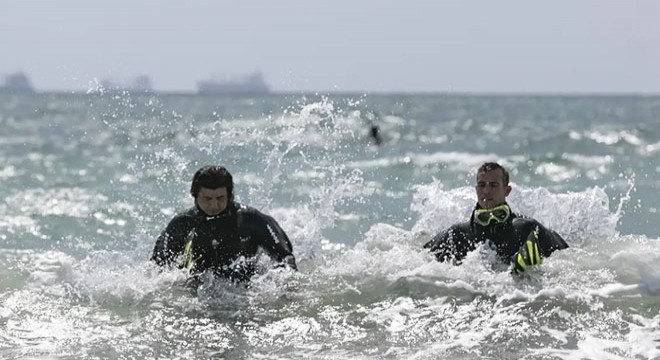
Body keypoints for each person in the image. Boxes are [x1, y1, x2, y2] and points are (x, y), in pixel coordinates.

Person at [151, 165, 297, 282]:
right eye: (207, 199)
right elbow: (157, 268)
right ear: (195, 195)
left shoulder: (250, 219)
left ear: (230, 194)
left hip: (246, 290)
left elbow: (285, 258)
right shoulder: (182, 224)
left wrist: (285, 284)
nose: (214, 205)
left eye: (220, 198)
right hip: (198, 292)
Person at [423, 162, 568, 275]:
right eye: (482, 185)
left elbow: (568, 258)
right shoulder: (457, 233)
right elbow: (418, 262)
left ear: (507, 190)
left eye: (493, 185)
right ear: (476, 190)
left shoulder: (527, 229)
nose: (486, 190)